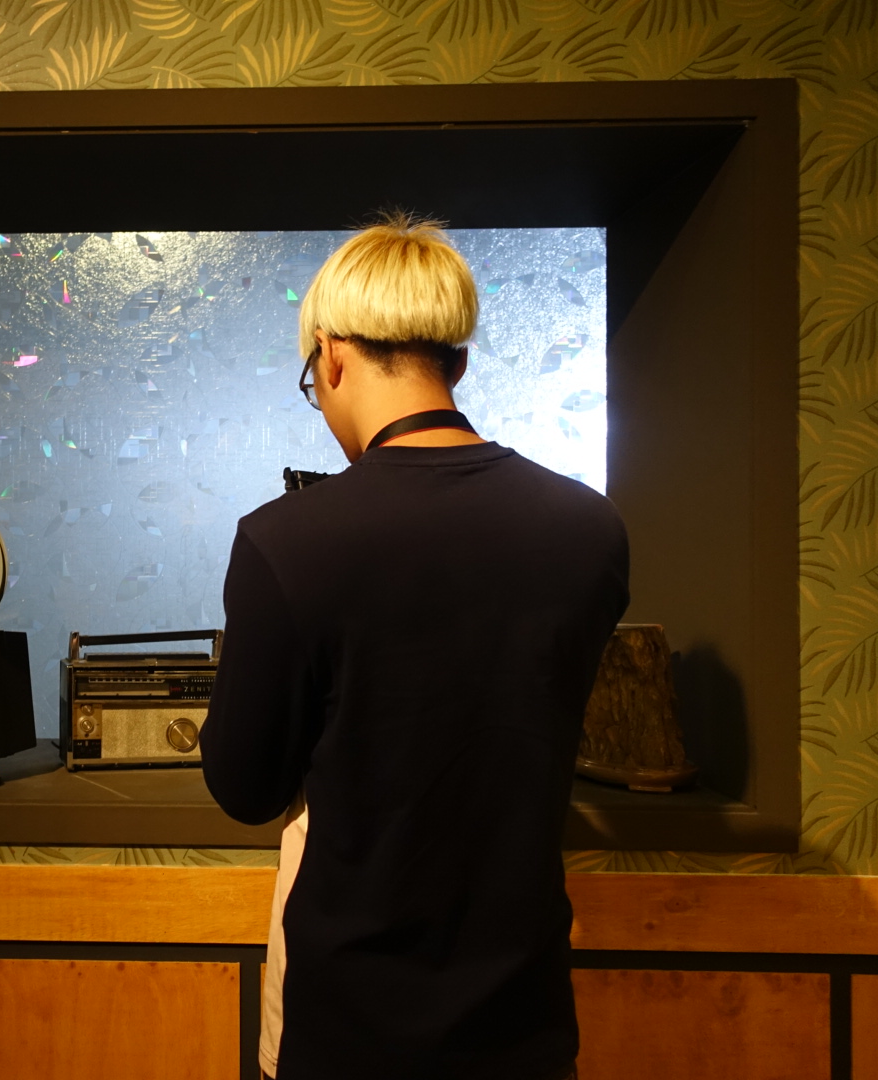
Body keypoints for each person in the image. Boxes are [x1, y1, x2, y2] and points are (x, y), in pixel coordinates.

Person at [200, 214, 629, 1080]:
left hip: (345, 1027)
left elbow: (244, 788)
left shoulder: (287, 541)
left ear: (330, 357)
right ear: (456, 363)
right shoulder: (589, 530)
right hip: (524, 1022)